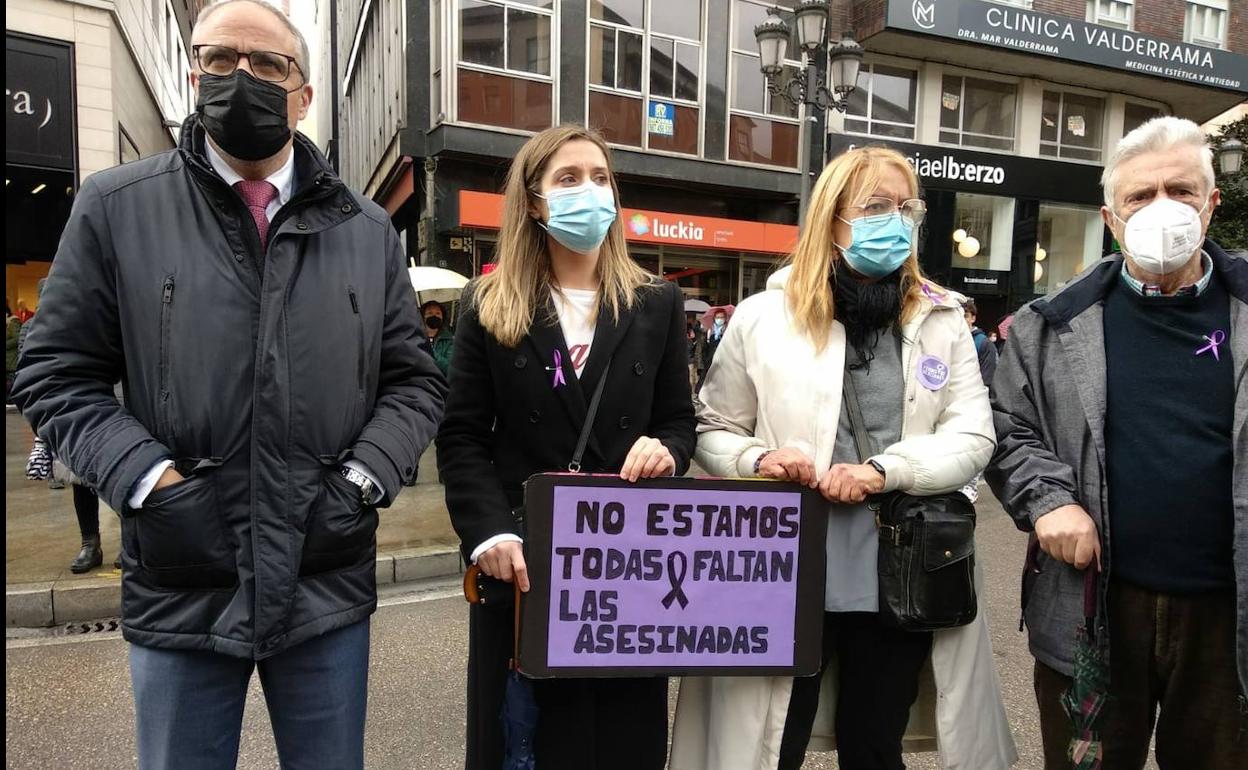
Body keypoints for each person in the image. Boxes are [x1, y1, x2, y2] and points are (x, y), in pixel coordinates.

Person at [10, 2, 447, 767]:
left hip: (325, 577)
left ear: (303, 93)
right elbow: (55, 374)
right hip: (184, 575)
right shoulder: (116, 208)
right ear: (193, 73)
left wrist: (362, 481)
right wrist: (153, 483)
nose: (241, 77)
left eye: (268, 64)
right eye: (221, 59)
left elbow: (414, 384)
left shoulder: (368, 230)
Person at [670, 146, 1016, 770]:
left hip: (900, 569)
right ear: (832, 219)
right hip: (784, 567)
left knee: (875, 743)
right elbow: (712, 427)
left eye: (906, 207)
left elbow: (974, 435)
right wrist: (758, 460)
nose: (896, 220)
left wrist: (887, 471)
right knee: (771, 741)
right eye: (876, 206)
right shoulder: (764, 318)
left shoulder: (939, 319)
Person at [987, 116, 1246, 769]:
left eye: (1181, 191)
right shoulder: (1049, 326)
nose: (1163, 208)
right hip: (1093, 608)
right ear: (1111, 215)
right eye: (1140, 196)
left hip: (1229, 618)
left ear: (1211, 203)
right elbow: (1003, 426)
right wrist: (1047, 500)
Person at [437, 124, 696, 770]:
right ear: (533, 201)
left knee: (621, 749)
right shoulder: (488, 305)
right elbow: (463, 435)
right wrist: (488, 534)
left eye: (601, 177)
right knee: (521, 749)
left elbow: (679, 425)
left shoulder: (656, 305)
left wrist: (666, 451)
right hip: (523, 577)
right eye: (569, 178)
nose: (590, 191)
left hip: (625, 585)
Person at [961, 297, 998, 387]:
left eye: (965, 316)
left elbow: (987, 379)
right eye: (957, 316)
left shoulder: (984, 344)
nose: (961, 319)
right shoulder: (948, 340)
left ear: (973, 318)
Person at [421, 299, 455, 376]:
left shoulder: (449, 341)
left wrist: (431, 351)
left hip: (442, 384)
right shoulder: (415, 338)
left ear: (442, 317)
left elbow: (450, 368)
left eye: (438, 313)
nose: (434, 316)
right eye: (429, 313)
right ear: (423, 317)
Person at [5, 304, 20, 401]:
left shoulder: (13, 322)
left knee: (12, 380)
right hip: (8, 360)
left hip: (12, 359)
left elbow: (17, 338)